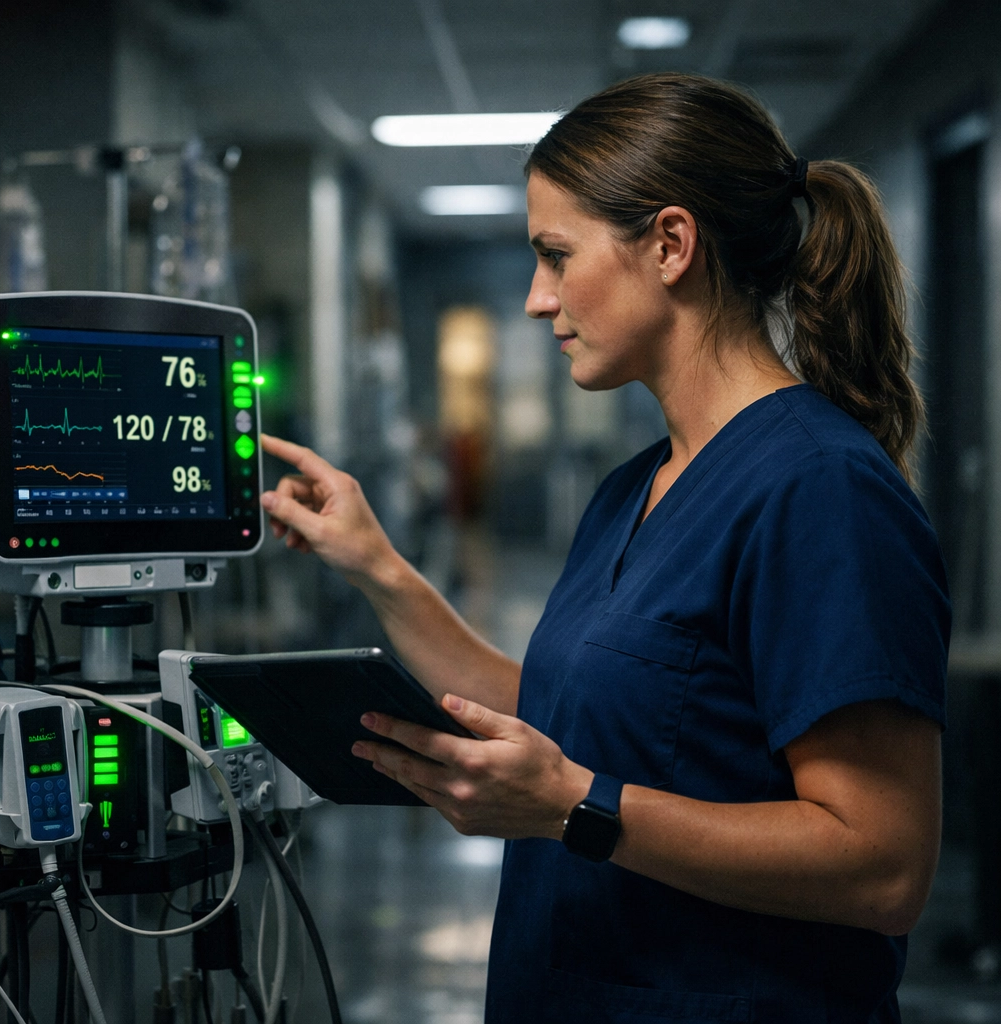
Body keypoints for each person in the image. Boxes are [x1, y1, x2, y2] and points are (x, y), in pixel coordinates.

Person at [259, 72, 949, 1023]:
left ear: (671, 244)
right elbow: (565, 715)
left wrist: (577, 810)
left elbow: (881, 866)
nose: (540, 301)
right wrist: (376, 564)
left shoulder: (820, 490)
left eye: (556, 255)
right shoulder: (638, 486)